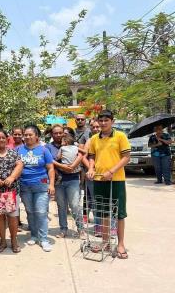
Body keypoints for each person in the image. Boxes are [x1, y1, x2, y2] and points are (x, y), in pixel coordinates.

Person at [87, 110, 130, 259]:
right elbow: (92, 157)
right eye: (101, 120)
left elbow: (126, 157)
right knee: (103, 212)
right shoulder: (94, 138)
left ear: (113, 121)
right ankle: (105, 241)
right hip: (99, 180)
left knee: (119, 213)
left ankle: (121, 244)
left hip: (116, 179)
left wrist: (112, 171)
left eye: (107, 120)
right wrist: (91, 169)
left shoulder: (120, 136)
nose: (103, 123)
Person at [0, 130, 24, 253]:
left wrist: (12, 177)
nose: (1, 140)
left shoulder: (13, 153)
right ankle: (2, 241)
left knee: (12, 216)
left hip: (11, 190)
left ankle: (14, 240)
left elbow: (20, 165)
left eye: (3, 138)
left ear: (7, 139)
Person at [18, 125, 55, 252]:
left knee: (41, 212)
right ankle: (34, 235)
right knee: (30, 211)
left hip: (41, 185)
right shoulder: (19, 150)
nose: (27, 137)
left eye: (30, 135)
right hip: (24, 186)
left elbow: (50, 168)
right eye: (26, 135)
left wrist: (51, 185)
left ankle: (44, 239)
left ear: (37, 136)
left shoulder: (44, 150)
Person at [54, 135, 84, 237]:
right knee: (61, 206)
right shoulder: (74, 147)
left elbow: (56, 158)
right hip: (59, 180)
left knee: (74, 205)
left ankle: (81, 229)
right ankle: (63, 229)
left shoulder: (63, 148)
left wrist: (60, 158)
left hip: (73, 179)